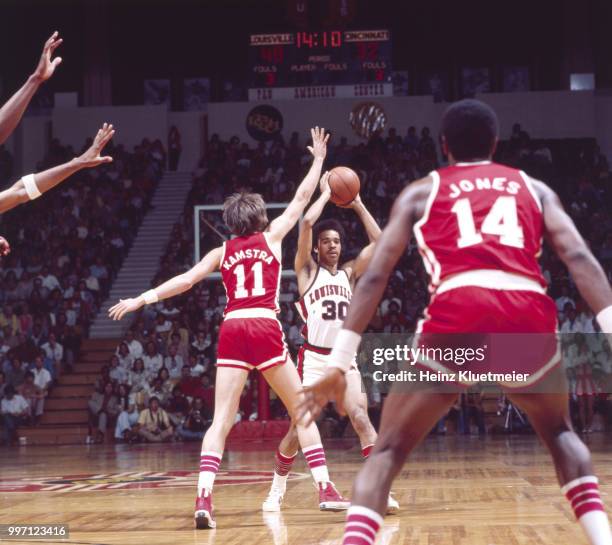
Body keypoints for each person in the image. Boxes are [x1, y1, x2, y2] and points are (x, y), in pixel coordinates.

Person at [299, 99, 612, 545]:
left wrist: (340, 359)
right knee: (561, 433)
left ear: (443, 146)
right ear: (496, 143)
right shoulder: (533, 187)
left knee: (386, 450)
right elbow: (579, 256)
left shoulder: (421, 191)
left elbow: (376, 279)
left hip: (457, 318)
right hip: (524, 319)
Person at [109, 127, 351, 530]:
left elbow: (185, 280)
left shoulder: (221, 251)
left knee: (221, 419)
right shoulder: (273, 237)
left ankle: (204, 497)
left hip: (233, 327)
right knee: (302, 414)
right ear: (258, 216)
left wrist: (141, 299)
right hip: (264, 324)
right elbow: (301, 199)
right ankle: (325, 489)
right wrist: (319, 160)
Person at [262, 179, 399, 513]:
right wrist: (325, 193)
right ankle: (277, 487)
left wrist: (357, 203)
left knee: (362, 419)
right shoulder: (307, 271)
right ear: (317, 248)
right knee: (297, 431)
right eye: (326, 242)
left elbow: (382, 243)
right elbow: (307, 222)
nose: (333, 246)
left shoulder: (350, 274)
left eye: (337, 241)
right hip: (312, 361)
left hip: (345, 360)